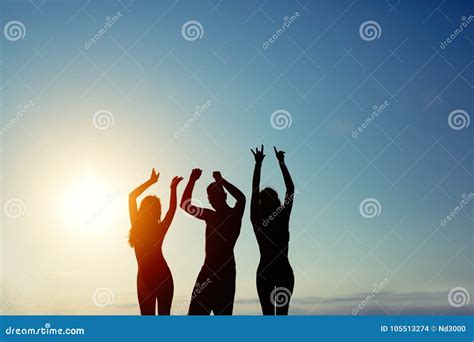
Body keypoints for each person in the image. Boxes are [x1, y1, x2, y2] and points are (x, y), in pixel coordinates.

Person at [180, 169, 245, 315]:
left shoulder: (223, 216)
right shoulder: (214, 215)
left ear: (224, 195)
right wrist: (194, 181)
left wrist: (195, 180)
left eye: (213, 196)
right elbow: (185, 206)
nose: (211, 200)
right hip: (212, 272)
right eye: (210, 197)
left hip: (222, 274)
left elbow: (241, 198)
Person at [128, 168, 183, 315]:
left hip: (156, 278)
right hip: (152, 279)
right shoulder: (154, 228)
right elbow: (171, 209)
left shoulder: (137, 225)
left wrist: (151, 182)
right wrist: (172, 189)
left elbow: (132, 197)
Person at [251, 146, 295, 315]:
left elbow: (254, 191)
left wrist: (258, 164)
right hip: (279, 272)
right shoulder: (282, 217)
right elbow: (290, 189)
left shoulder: (259, 221)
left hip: (269, 273)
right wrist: (281, 163)